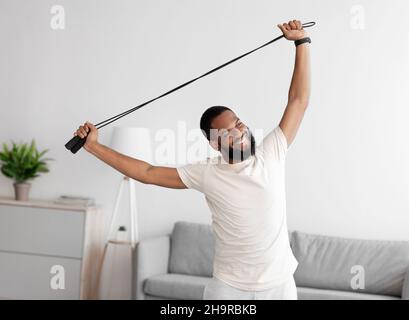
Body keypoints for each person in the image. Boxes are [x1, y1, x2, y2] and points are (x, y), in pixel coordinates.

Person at [74, 19, 311, 300]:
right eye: (229, 130)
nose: (240, 130)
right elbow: (147, 172)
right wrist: (94, 147)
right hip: (228, 289)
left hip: (279, 287)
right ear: (214, 142)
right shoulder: (207, 173)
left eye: (239, 123)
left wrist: (301, 43)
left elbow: (298, 100)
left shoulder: (272, 152)